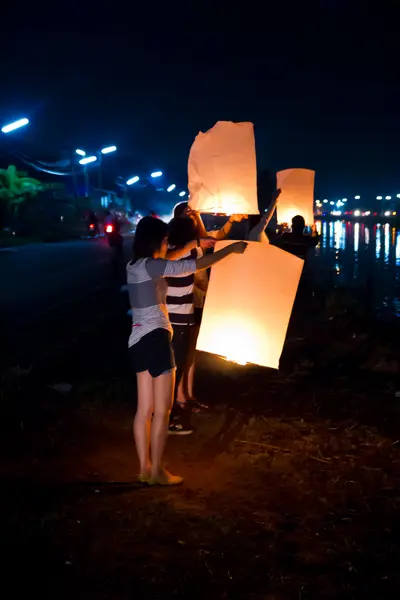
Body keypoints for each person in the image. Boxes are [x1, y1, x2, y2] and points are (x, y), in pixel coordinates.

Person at [127, 216, 247, 485]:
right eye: (165, 240)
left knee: (143, 409)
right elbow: (194, 264)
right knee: (163, 409)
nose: (168, 243)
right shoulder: (156, 266)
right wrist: (229, 250)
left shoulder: (134, 266)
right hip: (157, 339)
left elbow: (175, 257)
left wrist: (194, 242)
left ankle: (144, 469)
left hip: (136, 340)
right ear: (157, 241)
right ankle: (157, 471)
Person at [165, 217, 216, 434]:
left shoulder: (165, 251)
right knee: (176, 368)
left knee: (169, 368)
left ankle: (168, 413)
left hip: (166, 317)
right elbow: (206, 260)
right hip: (183, 318)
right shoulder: (191, 254)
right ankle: (170, 418)